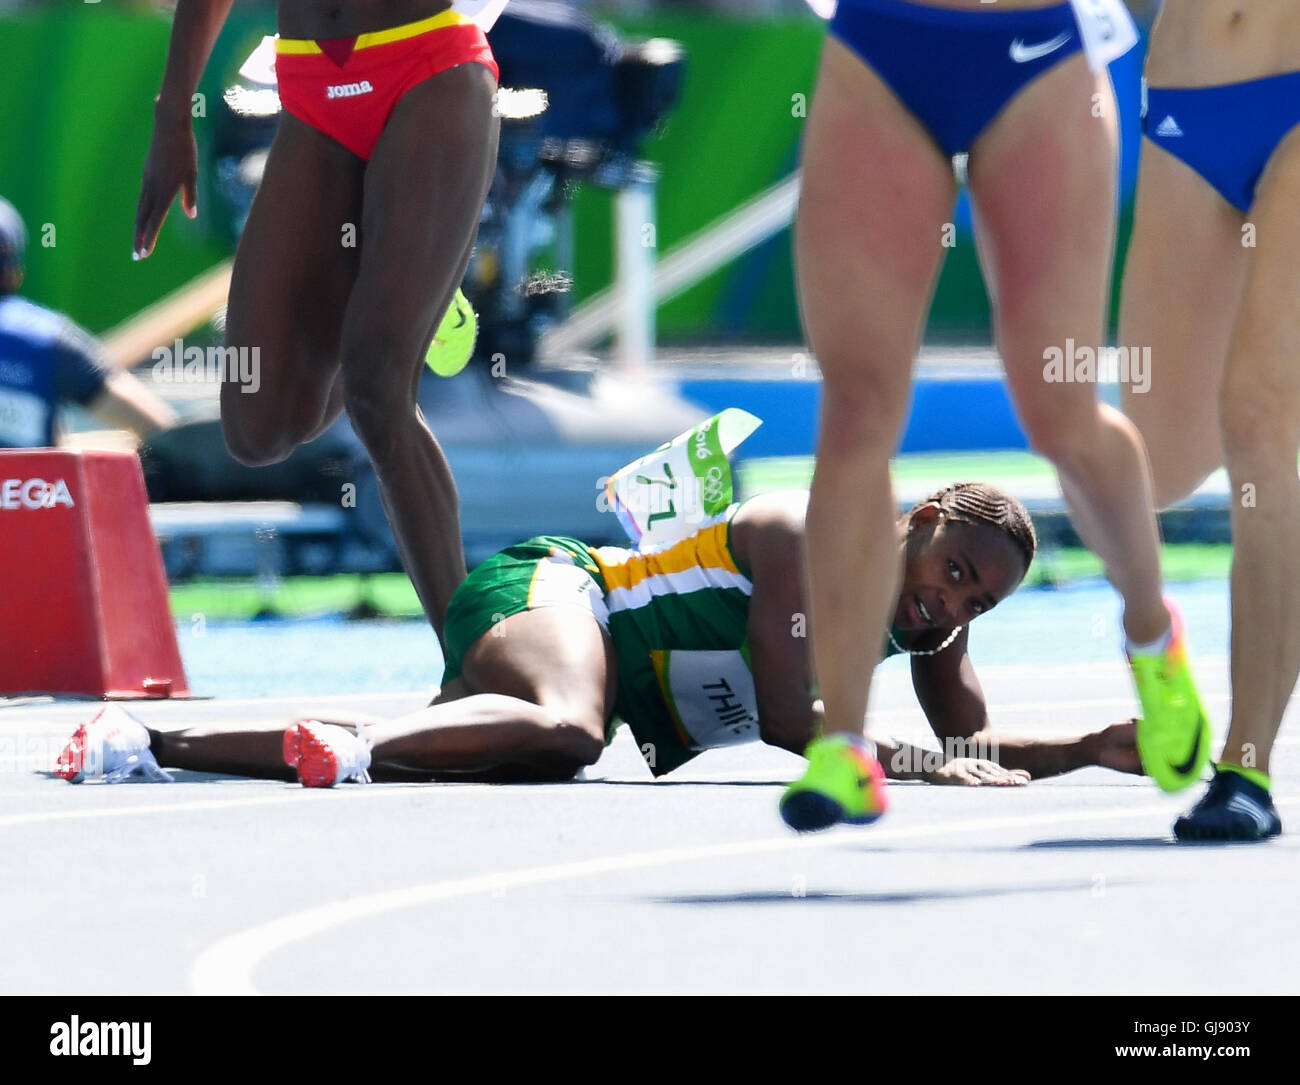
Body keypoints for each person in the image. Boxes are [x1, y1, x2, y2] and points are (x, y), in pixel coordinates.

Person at [783, 0, 1211, 832]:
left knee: (1059, 412)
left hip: (1040, 49)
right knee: (858, 403)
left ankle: (1154, 637)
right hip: (880, 43)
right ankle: (844, 746)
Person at [55, 483, 1143, 788]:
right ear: (912, 526)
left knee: (501, 747)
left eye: (976, 606)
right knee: (568, 728)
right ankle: (361, 754)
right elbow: (781, 722)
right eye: (952, 575)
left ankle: (144, 747)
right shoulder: (806, 537)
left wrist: (1092, 744)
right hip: (554, 590)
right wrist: (904, 759)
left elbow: (971, 754)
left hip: (573, 666)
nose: (949, 609)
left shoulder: (928, 630)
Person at [133, 0, 502, 647]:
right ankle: (401, 276)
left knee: (378, 387)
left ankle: (471, 659)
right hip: (311, 84)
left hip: (427, 64)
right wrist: (172, 116)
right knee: (258, 427)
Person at [1118, 0, 1300, 841]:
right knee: (1155, 465)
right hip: (1184, 98)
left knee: (1257, 420)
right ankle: (1161, 637)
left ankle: (1247, 767)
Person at [0, 197, 176, 449]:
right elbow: (159, 428)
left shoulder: (44, 338)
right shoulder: (46, 339)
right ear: (14, 271)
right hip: (34, 487)